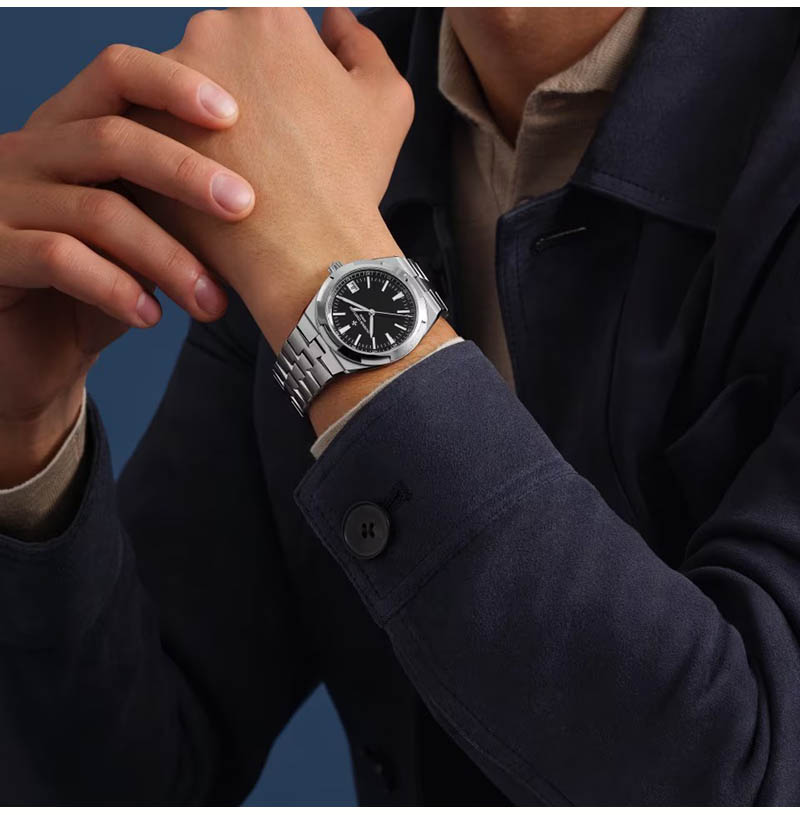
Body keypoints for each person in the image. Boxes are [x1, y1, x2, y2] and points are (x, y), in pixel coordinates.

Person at [0, 5, 799, 805]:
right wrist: (24, 437)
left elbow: (752, 777)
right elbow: (133, 780)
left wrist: (326, 267)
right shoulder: (298, 112)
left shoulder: (296, 148)